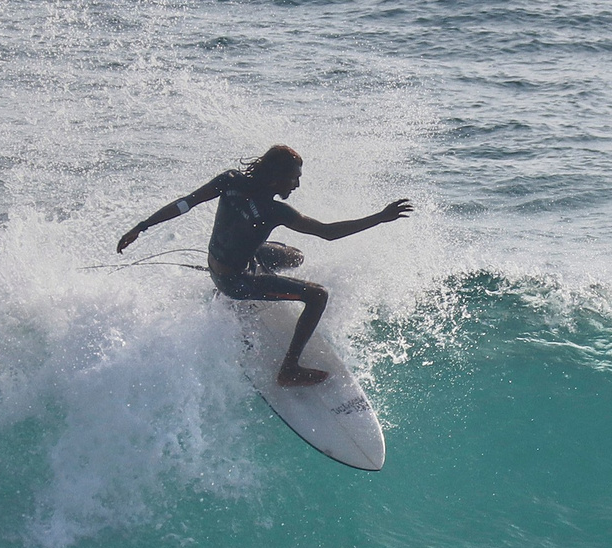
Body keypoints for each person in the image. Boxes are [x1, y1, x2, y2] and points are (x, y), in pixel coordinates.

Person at [116, 145, 413, 387]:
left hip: (219, 263)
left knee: (294, 257)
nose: (297, 184)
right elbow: (327, 233)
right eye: (294, 178)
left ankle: (259, 284)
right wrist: (379, 217)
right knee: (317, 295)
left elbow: (186, 203)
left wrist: (140, 227)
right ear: (275, 179)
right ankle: (289, 370)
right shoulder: (274, 211)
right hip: (236, 282)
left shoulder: (230, 181)